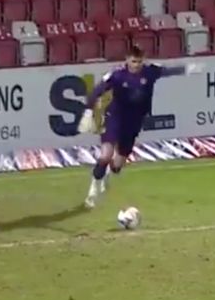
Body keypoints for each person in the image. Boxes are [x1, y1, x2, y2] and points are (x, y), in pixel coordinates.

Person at [78, 46, 203, 208]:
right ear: (127, 60)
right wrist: (88, 112)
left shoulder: (150, 71)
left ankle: (107, 174)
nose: (136, 65)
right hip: (114, 118)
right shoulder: (117, 75)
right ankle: (92, 192)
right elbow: (96, 91)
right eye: (133, 61)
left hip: (134, 121)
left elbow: (168, 71)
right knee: (105, 155)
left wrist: (188, 69)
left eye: (139, 61)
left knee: (117, 165)